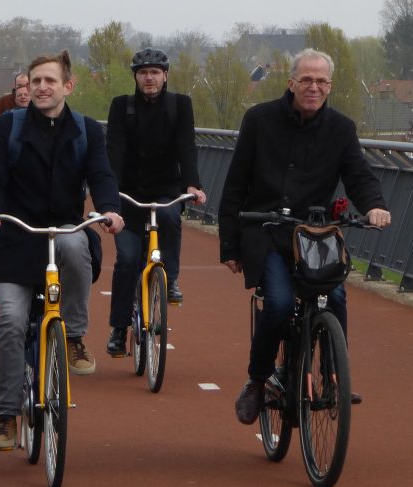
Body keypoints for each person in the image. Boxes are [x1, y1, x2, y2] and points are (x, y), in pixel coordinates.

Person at [218, 48, 392, 425]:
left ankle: (334, 378)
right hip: (265, 231)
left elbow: (359, 176)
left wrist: (374, 205)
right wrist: (229, 244)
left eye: (321, 81)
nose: (314, 87)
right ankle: (258, 380)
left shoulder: (341, 129)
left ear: (329, 86)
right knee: (279, 304)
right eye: (307, 80)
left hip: (314, 236)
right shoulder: (259, 120)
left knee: (337, 298)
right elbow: (235, 185)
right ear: (291, 83)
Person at [0, 50, 124, 450]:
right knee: (10, 320)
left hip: (64, 231)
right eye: (36, 80)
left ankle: (73, 336)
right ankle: (6, 415)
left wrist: (110, 208)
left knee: (78, 244)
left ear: (67, 86)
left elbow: (102, 174)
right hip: (16, 237)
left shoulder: (88, 130)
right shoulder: (8, 127)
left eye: (50, 81)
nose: (41, 87)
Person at [104, 47, 206, 357]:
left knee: (172, 218)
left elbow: (187, 146)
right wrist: (110, 193)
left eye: (155, 72)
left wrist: (192, 183)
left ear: (165, 76)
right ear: (135, 76)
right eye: (143, 72)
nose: (149, 78)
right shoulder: (122, 107)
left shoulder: (180, 105)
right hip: (129, 192)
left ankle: (171, 279)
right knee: (127, 259)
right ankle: (119, 328)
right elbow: (115, 150)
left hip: (165, 188)